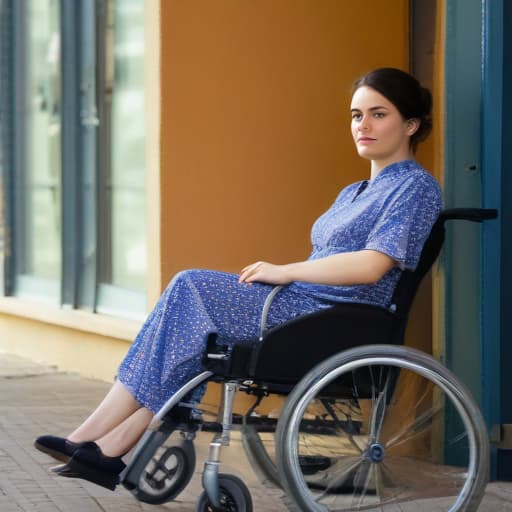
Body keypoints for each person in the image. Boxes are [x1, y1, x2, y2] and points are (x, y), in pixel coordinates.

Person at [34, 67, 442, 490]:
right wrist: (289, 277)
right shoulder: (353, 191)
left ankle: (91, 438)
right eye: (356, 115)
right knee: (188, 321)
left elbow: (373, 265)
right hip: (303, 304)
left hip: (336, 315)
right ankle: (109, 447)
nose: (363, 125)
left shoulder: (415, 188)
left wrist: (285, 270)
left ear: (410, 125)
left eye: (378, 114)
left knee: (190, 286)